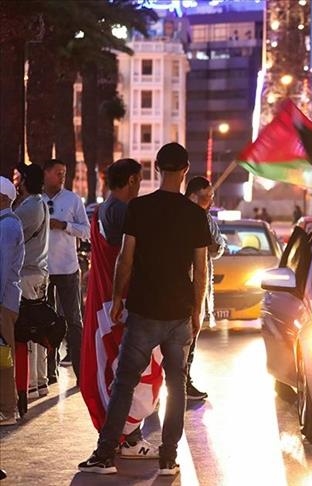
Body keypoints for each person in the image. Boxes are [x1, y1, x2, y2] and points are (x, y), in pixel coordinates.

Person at [78, 143, 211, 475]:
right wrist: (197, 311)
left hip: (143, 311)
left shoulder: (138, 208)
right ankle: (168, 458)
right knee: (176, 386)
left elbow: (125, 258)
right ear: (185, 170)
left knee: (124, 383)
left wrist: (117, 298)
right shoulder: (196, 215)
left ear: (157, 169)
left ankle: (105, 454)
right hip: (179, 312)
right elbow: (201, 270)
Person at [80, 159, 161, 460]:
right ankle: (125, 440)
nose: (140, 185)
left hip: (107, 301)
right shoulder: (124, 211)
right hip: (121, 302)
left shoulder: (102, 209)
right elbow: (127, 257)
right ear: (131, 180)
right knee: (131, 373)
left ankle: (121, 438)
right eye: (139, 180)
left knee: (116, 369)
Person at [42, 159, 90, 381]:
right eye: (58, 172)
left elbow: (86, 231)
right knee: (46, 322)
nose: (62, 177)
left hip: (68, 269)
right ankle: (49, 371)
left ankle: (81, 371)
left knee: (74, 321)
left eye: (64, 173)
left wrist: (64, 226)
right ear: (46, 173)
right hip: (43, 270)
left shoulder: (72, 200)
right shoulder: (36, 200)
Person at [184, 176, 226, 401]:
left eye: (211, 196)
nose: (210, 201)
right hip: (178, 286)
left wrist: (213, 246)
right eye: (206, 197)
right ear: (193, 196)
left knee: (191, 337)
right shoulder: (179, 215)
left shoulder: (207, 219)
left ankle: (184, 379)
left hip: (198, 288)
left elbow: (218, 246)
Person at [11, 164, 50, 401]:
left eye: (18, 178)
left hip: (27, 273)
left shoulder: (29, 207)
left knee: (28, 330)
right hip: (38, 272)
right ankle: (40, 382)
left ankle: (32, 383)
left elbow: (9, 229)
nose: (16, 182)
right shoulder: (39, 202)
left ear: (25, 180)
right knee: (37, 327)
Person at [0, 176, 25, 427]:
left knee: (3, 356)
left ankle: (8, 410)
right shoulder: (7, 223)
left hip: (3, 302)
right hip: (5, 300)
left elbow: (3, 268)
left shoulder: (7, 226)